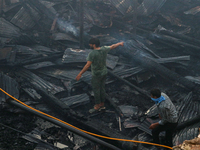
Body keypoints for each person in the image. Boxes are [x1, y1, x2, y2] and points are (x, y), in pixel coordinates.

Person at [75, 38, 124, 113]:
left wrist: (80, 74)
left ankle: (97, 106)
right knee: (102, 88)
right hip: (104, 72)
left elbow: (88, 65)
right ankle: (102, 104)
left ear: (94, 45)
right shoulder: (104, 49)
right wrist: (119, 43)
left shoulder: (92, 53)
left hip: (97, 74)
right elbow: (112, 46)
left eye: (90, 44)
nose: (89, 45)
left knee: (96, 90)